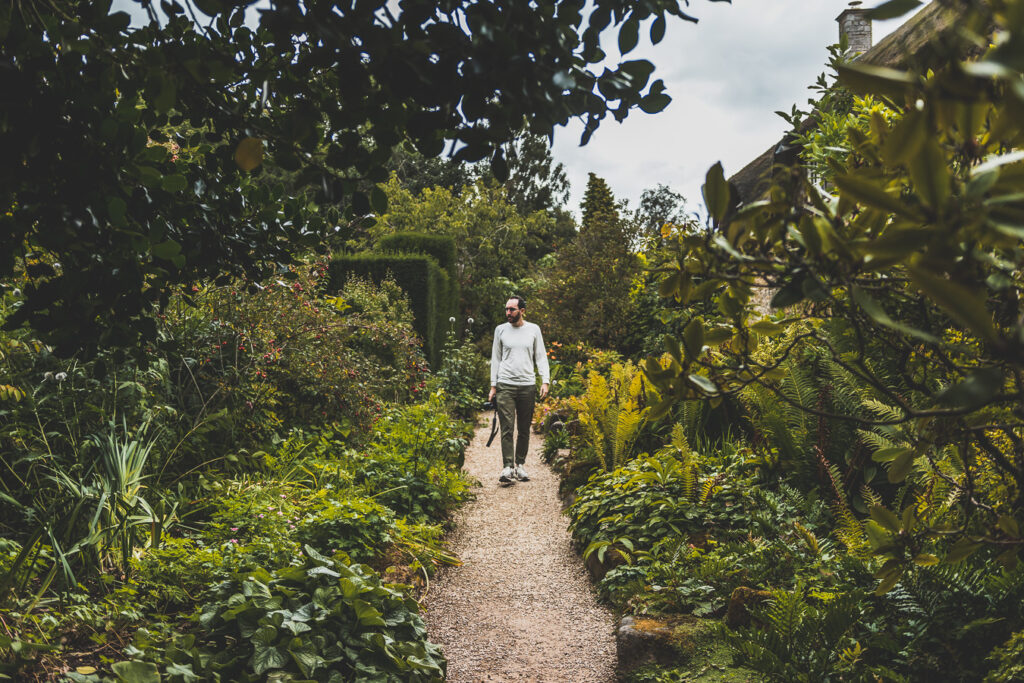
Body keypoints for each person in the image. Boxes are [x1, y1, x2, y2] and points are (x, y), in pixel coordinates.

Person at [489, 296, 549, 483]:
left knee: (524, 428)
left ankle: (520, 465)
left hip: (527, 385)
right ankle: (507, 467)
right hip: (505, 384)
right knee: (507, 427)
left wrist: (545, 381)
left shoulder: (533, 329)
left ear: (522, 310)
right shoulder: (500, 330)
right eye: (506, 309)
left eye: (512, 309)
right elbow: (496, 358)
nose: (508, 313)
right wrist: (493, 386)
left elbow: (540, 356)